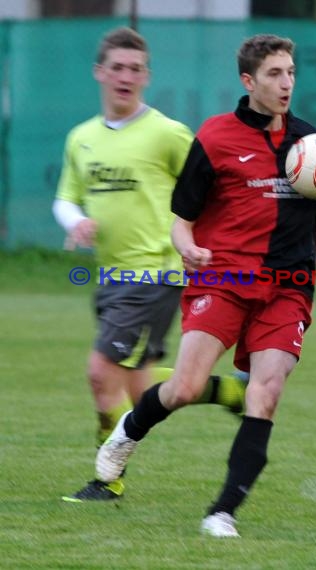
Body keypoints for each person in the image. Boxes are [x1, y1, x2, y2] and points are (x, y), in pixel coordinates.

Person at [95, 33, 316, 536]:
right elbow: (181, 218)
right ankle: (126, 434)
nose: (286, 82)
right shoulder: (215, 138)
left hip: (288, 285)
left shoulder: (310, 144)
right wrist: (186, 246)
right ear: (249, 81)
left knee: (265, 394)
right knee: (182, 388)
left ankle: (222, 511)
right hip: (223, 278)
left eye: (291, 71)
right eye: (274, 74)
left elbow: (310, 216)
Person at [52, 27, 247, 503]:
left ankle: (108, 477)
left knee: (101, 373)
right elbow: (65, 196)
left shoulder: (167, 133)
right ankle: (228, 393)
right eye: (116, 67)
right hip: (111, 275)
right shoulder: (81, 138)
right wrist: (76, 222)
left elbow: (210, 187)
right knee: (140, 384)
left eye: (135, 68)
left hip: (155, 272)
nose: (125, 76)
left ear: (147, 77)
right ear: (100, 73)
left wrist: (207, 244)